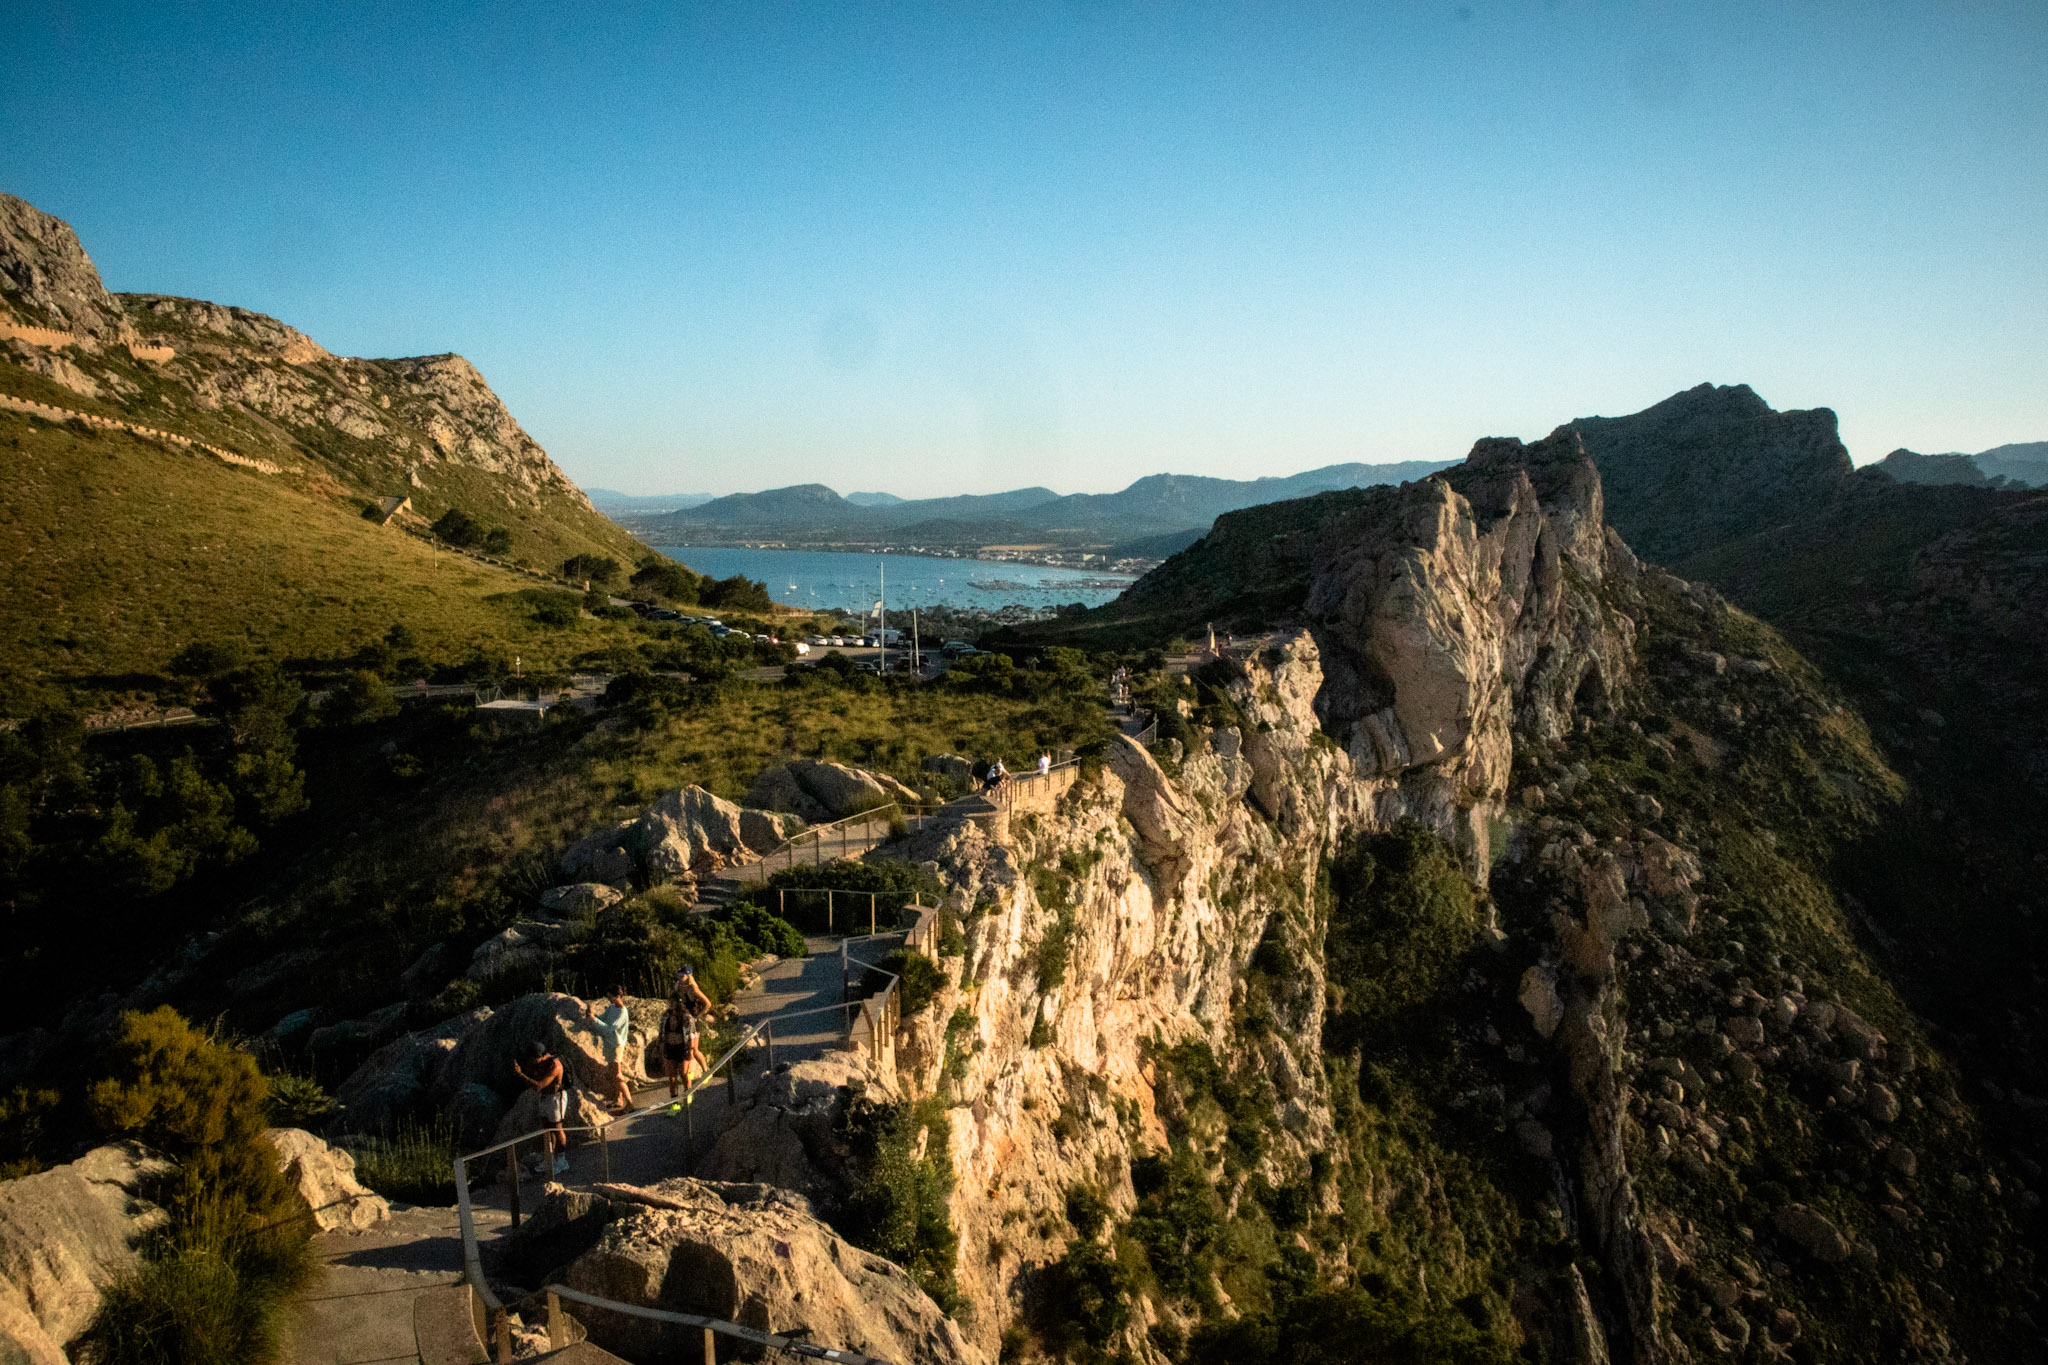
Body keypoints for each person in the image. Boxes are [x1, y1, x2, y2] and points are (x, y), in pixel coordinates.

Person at [513, 1039, 570, 1176]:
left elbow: (539, 1085)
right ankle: (549, 1159)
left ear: (539, 1056)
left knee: (557, 1127)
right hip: (544, 1097)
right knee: (546, 1128)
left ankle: (562, 1160)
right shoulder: (539, 1064)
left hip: (556, 1098)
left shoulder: (554, 1066)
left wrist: (520, 1074)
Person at [661, 966, 714, 1098]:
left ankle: (706, 1071)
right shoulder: (677, 987)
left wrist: (698, 1016)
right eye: (679, 974)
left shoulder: (693, 989)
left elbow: (708, 1003)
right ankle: (687, 1074)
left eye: (682, 975)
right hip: (682, 1019)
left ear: (689, 976)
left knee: (693, 1049)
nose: (680, 977)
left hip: (692, 1020)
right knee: (688, 1050)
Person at [584, 987, 635, 1112]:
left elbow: (609, 1028)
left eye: (610, 997)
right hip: (609, 1044)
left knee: (617, 1075)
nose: (609, 1000)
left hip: (616, 1045)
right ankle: (619, 1098)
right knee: (613, 1073)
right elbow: (603, 1018)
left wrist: (593, 1019)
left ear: (617, 996)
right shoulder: (612, 1008)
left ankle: (630, 1103)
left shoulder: (622, 1012)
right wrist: (593, 1017)